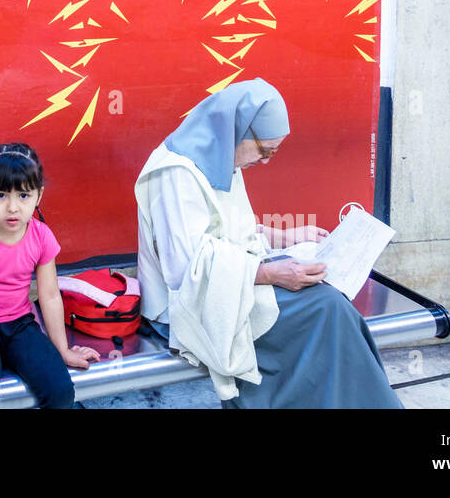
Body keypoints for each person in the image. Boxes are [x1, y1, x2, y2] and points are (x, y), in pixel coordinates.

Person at [135, 78, 402, 408]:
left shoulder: (222, 153)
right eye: (264, 151)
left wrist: (288, 237)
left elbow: (230, 234)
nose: (264, 162)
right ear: (238, 129)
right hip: (184, 309)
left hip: (228, 287)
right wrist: (273, 274)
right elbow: (185, 271)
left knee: (329, 303)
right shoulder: (175, 173)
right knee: (326, 309)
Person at [0, 142, 100, 409]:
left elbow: (49, 295)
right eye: (1, 195)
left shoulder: (42, 236)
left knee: (61, 391)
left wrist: (62, 349)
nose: (13, 207)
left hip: (20, 326)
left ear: (39, 196)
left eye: (24, 196)